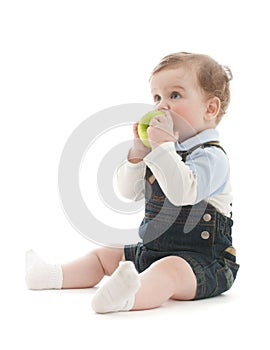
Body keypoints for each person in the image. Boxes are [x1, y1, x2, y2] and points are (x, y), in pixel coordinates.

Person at [26, 52, 239, 313]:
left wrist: (162, 148)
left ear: (210, 108)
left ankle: (126, 298)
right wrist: (138, 155)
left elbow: (182, 193)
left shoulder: (211, 156)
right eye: (157, 97)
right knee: (106, 255)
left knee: (168, 271)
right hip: (153, 249)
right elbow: (127, 192)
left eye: (175, 95)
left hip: (204, 261)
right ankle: (52, 276)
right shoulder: (163, 152)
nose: (162, 106)